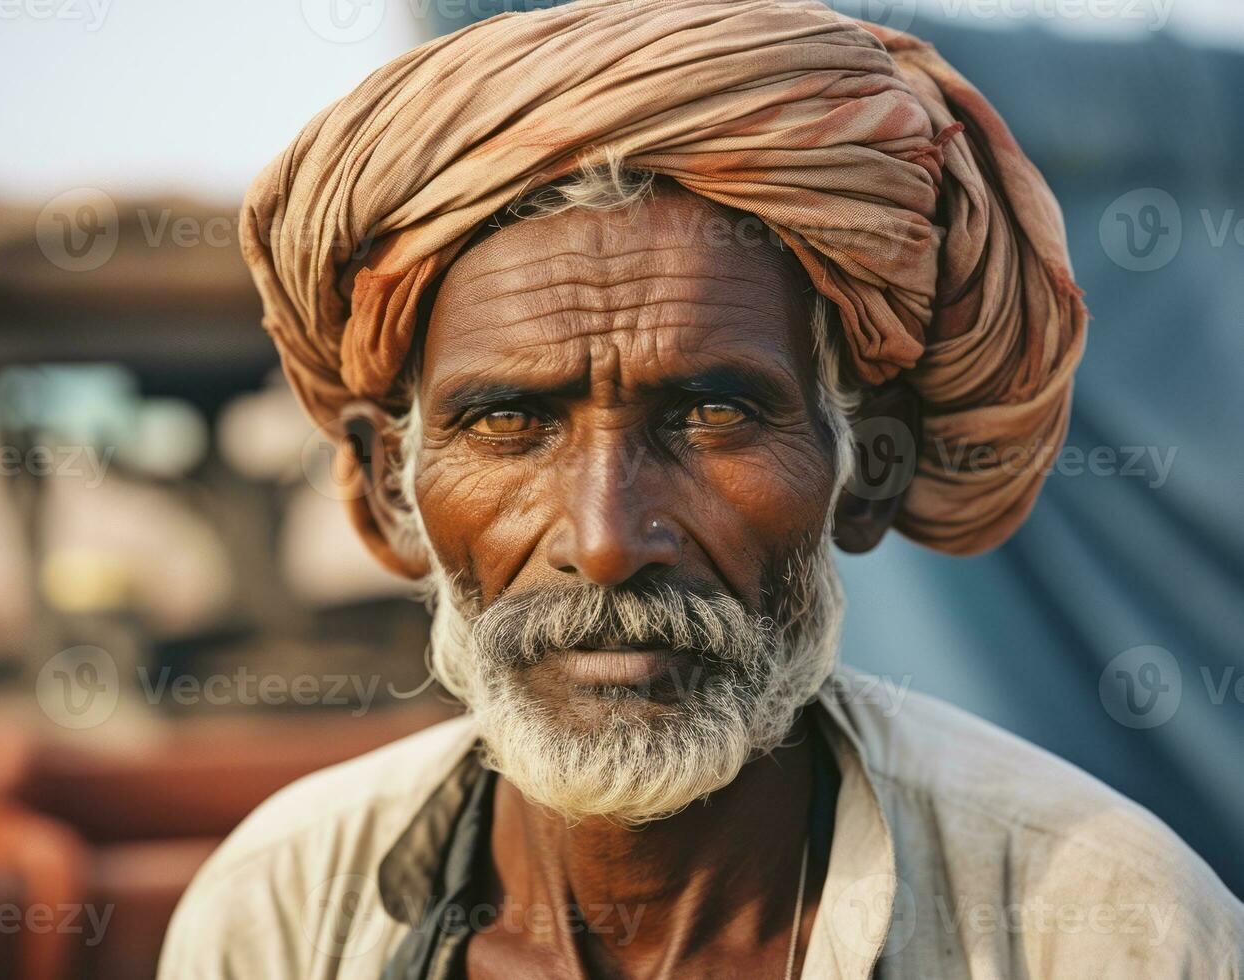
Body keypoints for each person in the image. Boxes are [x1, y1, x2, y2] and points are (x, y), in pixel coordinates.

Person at [160, 1, 1242, 976]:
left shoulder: (1101, 925)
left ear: (868, 468)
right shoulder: (280, 917)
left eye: (711, 414)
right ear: (385, 490)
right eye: (508, 423)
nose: (607, 536)